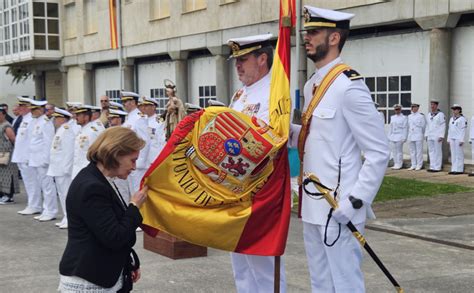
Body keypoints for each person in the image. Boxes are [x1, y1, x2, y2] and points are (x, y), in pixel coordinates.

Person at [290, 6, 390, 292]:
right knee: (320, 282)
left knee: (345, 284)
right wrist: (288, 132)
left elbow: (378, 151)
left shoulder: (349, 86)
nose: (306, 37)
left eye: (313, 32)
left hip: (340, 205)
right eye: (306, 31)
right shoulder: (313, 85)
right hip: (313, 204)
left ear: (334, 38)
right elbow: (321, 136)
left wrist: (355, 201)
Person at [226, 33, 287, 293]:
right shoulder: (240, 95)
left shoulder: (275, 92)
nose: (238, 65)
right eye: (236, 60)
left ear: (262, 58)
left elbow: (269, 139)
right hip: (234, 187)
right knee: (239, 261)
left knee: (262, 264)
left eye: (244, 59)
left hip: (260, 190)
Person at [59, 127, 148, 293]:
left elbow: (109, 229)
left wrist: (127, 265)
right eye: (132, 160)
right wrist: (134, 206)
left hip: (103, 274)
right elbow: (114, 237)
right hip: (90, 279)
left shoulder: (101, 179)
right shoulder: (92, 187)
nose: (134, 167)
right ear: (115, 155)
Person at [28, 100, 58, 222]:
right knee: (42, 185)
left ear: (40, 110)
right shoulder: (37, 122)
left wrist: (46, 160)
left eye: (33, 110)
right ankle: (46, 210)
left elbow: (48, 142)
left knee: (48, 186)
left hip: (42, 159)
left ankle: (51, 211)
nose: (31, 112)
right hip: (36, 158)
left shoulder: (45, 123)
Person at [12, 97, 43, 215]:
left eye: (21, 106)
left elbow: (32, 141)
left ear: (26, 107)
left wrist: (29, 157)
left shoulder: (31, 120)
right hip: (21, 156)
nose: (19, 108)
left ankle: (35, 205)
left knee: (32, 183)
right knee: (28, 183)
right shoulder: (24, 119)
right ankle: (32, 204)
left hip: (27, 157)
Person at [47, 108, 76, 229]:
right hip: (57, 168)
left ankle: (70, 219)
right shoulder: (61, 130)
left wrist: (66, 169)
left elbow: (69, 151)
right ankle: (66, 217)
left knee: (66, 194)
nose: (54, 120)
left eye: (57, 118)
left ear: (63, 118)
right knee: (62, 194)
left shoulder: (67, 130)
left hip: (63, 169)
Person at [121, 91, 150, 194]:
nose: (123, 104)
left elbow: (144, 141)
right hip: (129, 162)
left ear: (133, 102)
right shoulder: (130, 118)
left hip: (136, 165)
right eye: (123, 101)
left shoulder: (139, 118)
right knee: (131, 192)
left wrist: (138, 163)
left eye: (126, 101)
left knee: (137, 192)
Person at [71, 105, 103, 179]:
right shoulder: (82, 130)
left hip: (87, 170)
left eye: (78, 115)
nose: (76, 117)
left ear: (86, 117)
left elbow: (95, 153)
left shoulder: (91, 132)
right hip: (78, 170)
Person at [0, 105, 19, 204]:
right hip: (1, 153)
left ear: (3, 114)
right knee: (1, 176)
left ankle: (9, 196)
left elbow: (13, 139)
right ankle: (3, 194)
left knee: (8, 175)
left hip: (7, 154)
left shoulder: (7, 126)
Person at [142, 97, 166, 168]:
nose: (144, 108)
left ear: (153, 107)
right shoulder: (142, 120)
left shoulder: (159, 121)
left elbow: (160, 140)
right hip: (144, 158)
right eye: (143, 106)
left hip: (154, 157)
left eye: (146, 106)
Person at [425, 100, 446, 172]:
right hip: (430, 135)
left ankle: (437, 167)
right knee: (431, 151)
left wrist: (441, 135)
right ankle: (432, 166)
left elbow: (442, 125)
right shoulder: (429, 114)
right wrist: (426, 135)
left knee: (437, 151)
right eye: (431, 105)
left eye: (433, 105)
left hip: (437, 135)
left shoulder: (440, 114)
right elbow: (427, 125)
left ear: (437, 106)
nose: (432, 106)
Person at [447, 104, 467, 175]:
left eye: (455, 109)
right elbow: (449, 129)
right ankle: (454, 168)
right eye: (453, 109)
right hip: (452, 138)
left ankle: (459, 169)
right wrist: (448, 138)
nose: (454, 111)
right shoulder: (451, 119)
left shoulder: (462, 119)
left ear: (459, 110)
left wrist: (462, 139)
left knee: (459, 154)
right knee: (453, 154)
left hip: (458, 138)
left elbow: (463, 130)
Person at [388, 104, 408, 169]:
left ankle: (399, 164)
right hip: (393, 136)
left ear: (400, 109)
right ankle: (395, 163)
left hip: (400, 135)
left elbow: (405, 128)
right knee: (394, 151)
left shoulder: (404, 118)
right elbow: (391, 127)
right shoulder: (392, 117)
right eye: (396, 109)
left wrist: (404, 137)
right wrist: (389, 136)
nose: (397, 111)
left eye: (398, 109)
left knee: (399, 151)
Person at [407, 103, 426, 170]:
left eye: (415, 107)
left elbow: (423, 126)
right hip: (411, 135)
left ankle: (419, 165)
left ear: (418, 108)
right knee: (412, 151)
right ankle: (413, 164)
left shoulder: (421, 116)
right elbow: (408, 126)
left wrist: (422, 134)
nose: (414, 109)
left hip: (418, 135)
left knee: (419, 151)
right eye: (412, 107)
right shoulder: (409, 116)